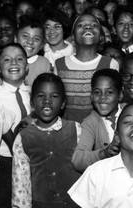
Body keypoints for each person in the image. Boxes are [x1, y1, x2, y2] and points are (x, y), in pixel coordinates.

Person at [12, 74, 81, 208]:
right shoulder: (23, 137)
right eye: (41, 96)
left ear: (63, 103)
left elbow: (87, 169)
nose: (47, 101)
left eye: (54, 96)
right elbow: (20, 182)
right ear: (32, 103)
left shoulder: (75, 129)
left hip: (75, 203)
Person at [55, 14, 119, 122]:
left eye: (94, 25)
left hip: (99, 126)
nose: (88, 27)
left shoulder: (111, 64)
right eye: (81, 25)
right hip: (67, 127)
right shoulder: (59, 64)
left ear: (101, 36)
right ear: (73, 36)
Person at [0, 43, 32, 208]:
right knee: (4, 201)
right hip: (6, 162)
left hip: (33, 160)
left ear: (27, 67)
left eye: (19, 59)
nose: (14, 63)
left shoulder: (35, 93)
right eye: (7, 59)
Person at [72, 69, 123, 172]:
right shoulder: (91, 122)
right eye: (97, 92)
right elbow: (77, 160)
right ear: (91, 96)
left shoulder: (131, 115)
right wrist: (104, 153)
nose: (102, 97)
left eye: (109, 92)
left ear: (120, 95)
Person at [15, 15, 52, 86]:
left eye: (36, 39)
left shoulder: (43, 64)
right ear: (15, 38)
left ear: (42, 45)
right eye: (25, 36)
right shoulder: (3, 59)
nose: (30, 42)